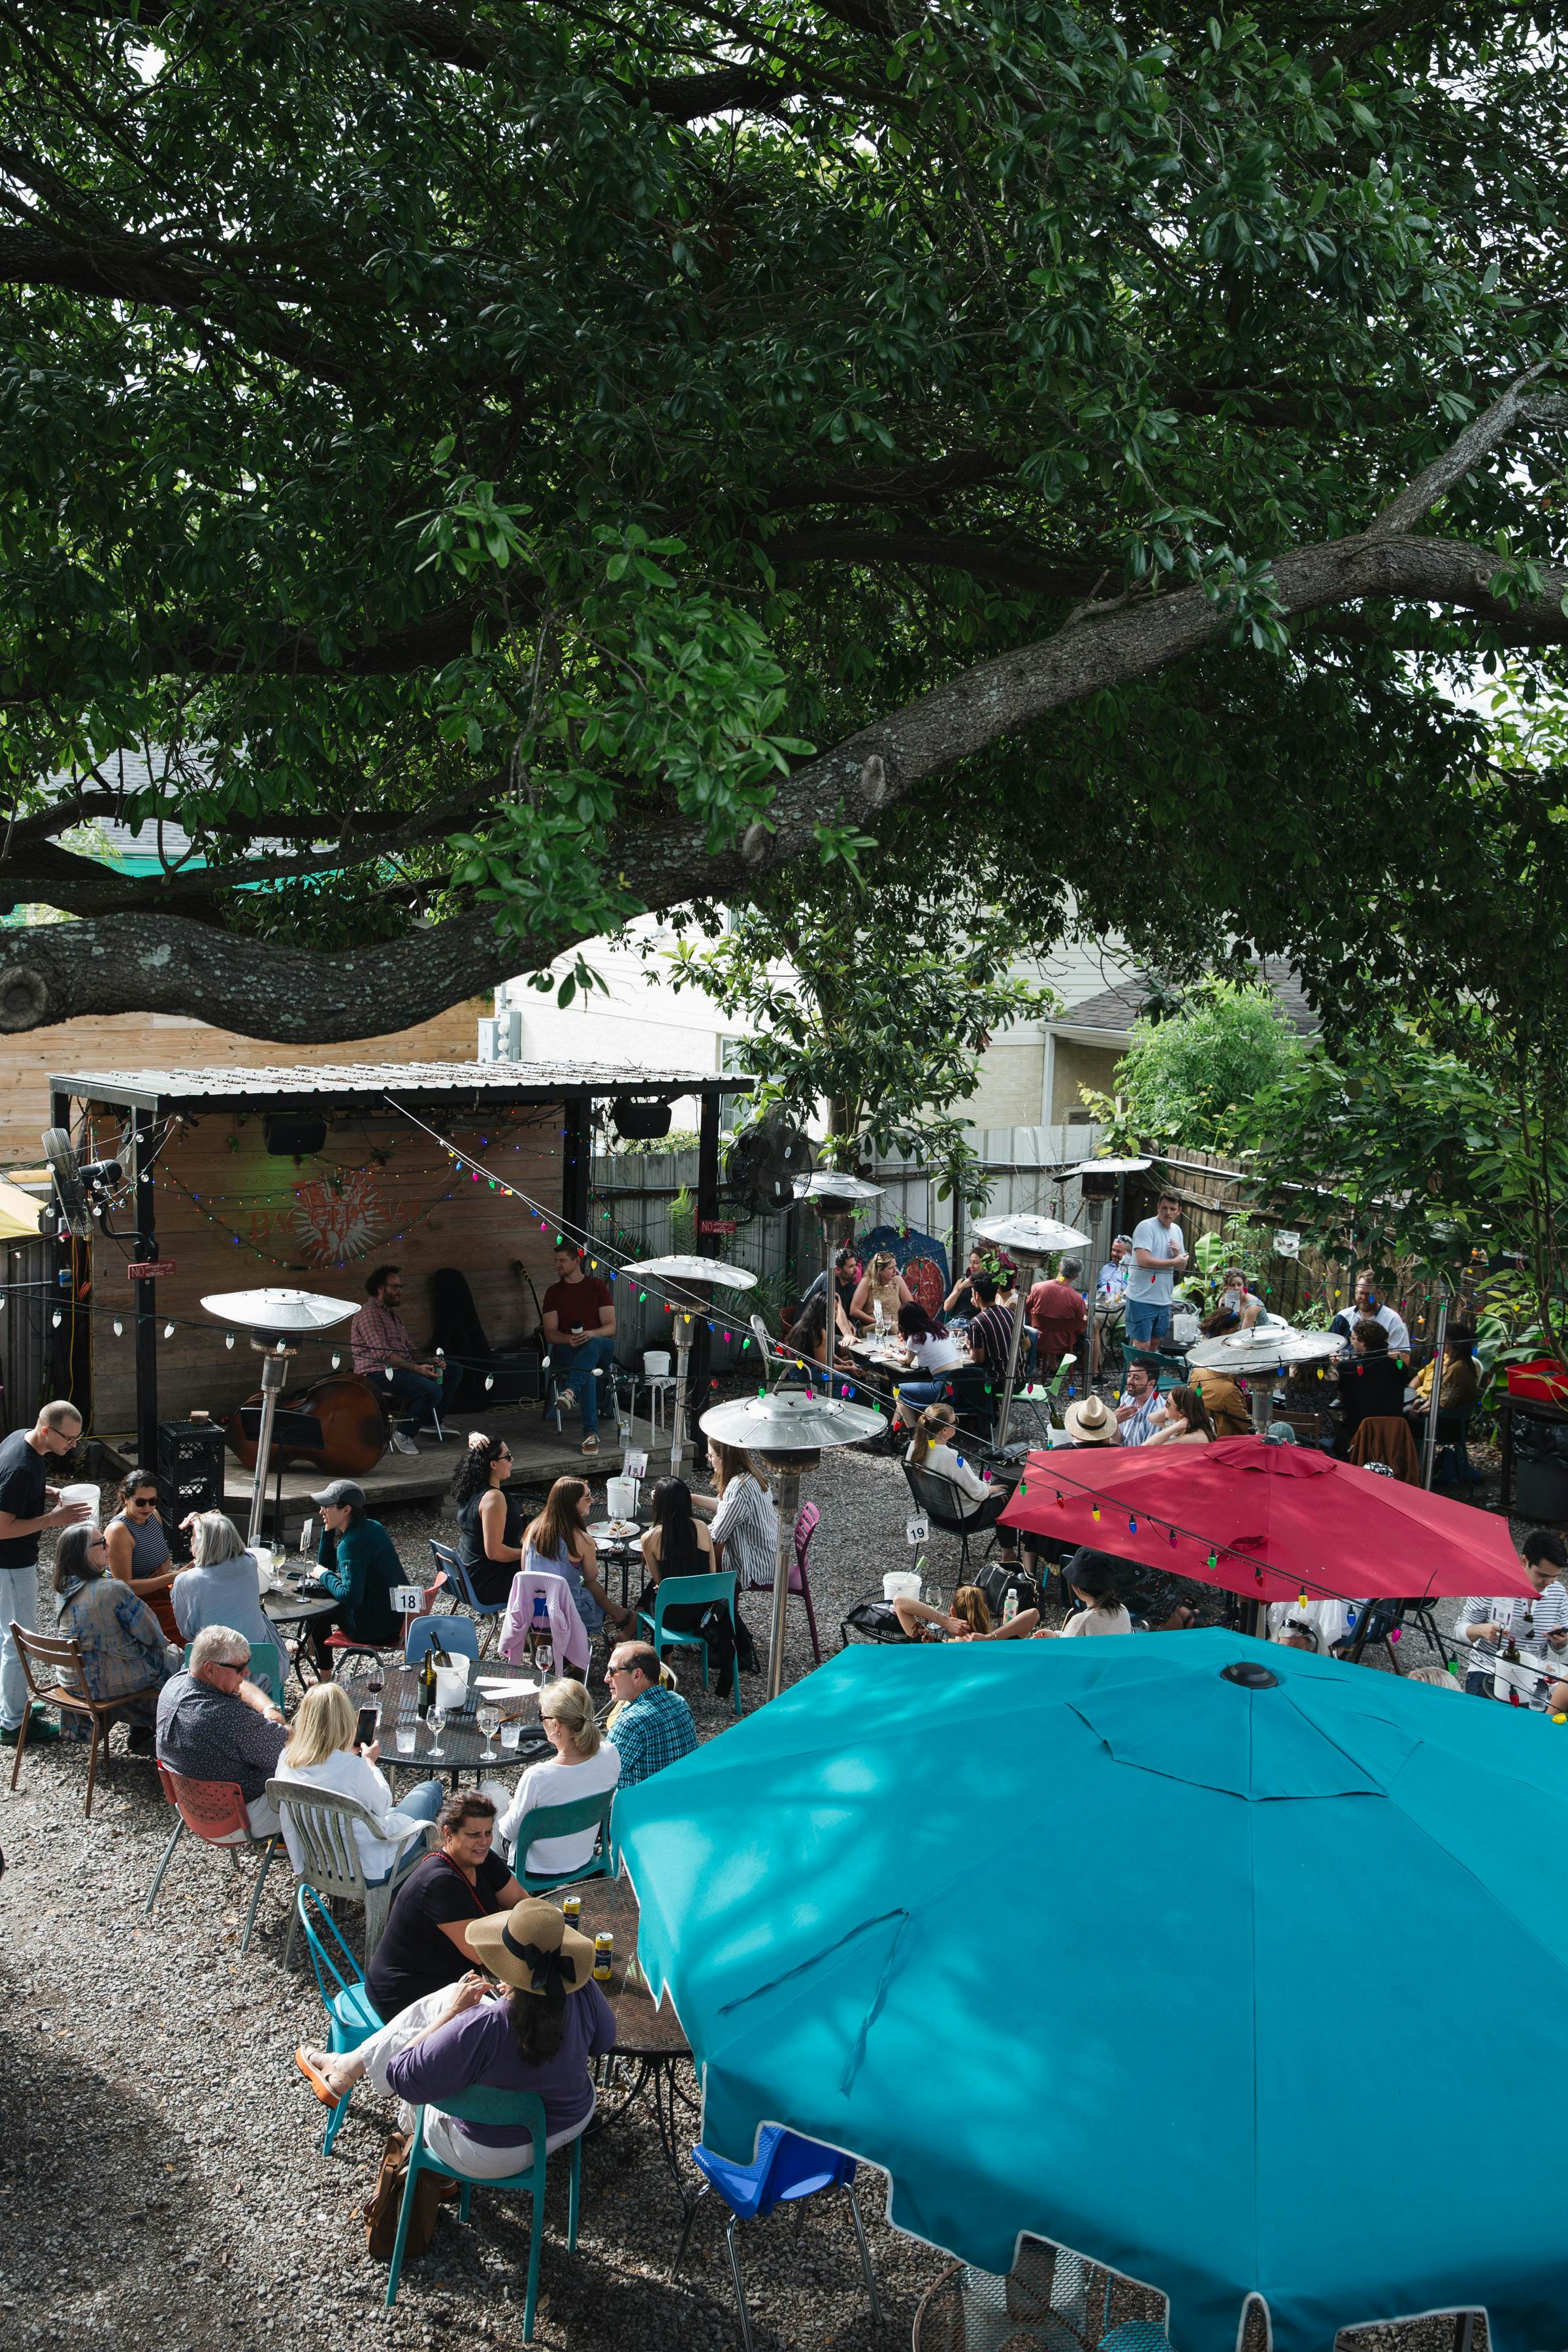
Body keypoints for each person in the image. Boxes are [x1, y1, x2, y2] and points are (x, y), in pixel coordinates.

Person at [297, 1899, 615, 2187]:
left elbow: (402, 2076)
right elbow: (604, 2041)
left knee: (443, 2011)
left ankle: (360, 2082)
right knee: (448, 1999)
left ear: (505, 1963)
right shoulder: (581, 1988)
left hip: (489, 2155)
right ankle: (348, 2066)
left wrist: (453, 2012)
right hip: (571, 2121)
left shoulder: (482, 2026)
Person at [362, 1790, 527, 2021]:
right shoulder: (440, 1882)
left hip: (450, 1976)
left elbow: (522, 1903)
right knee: (513, 2016)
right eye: (473, 1834)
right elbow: (482, 1953)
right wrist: (526, 1933)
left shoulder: (481, 1858)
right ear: (448, 1833)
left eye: (489, 1833)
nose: (484, 1842)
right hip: (405, 1993)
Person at [278, 1680, 447, 1880]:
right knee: (431, 1790)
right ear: (345, 1720)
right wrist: (369, 1763)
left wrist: (345, 1754)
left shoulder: (287, 1758)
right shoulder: (353, 1768)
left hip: (316, 1860)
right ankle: (403, 1893)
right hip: (366, 1867)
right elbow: (383, 1804)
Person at [0, 1399, 91, 1750]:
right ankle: (11, 1724)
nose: (73, 1445)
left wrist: (48, 1491)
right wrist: (53, 1520)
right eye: (68, 1439)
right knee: (18, 1641)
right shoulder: (21, 1466)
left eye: (76, 1438)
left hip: (14, 1560)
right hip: (10, 1562)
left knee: (10, 1638)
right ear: (46, 1431)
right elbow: (2, 1526)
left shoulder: (21, 1438)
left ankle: (11, 1707)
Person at [52, 1520, 180, 1752]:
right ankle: (173, 1736)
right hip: (104, 1683)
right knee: (178, 1660)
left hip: (75, 1681)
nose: (108, 1547)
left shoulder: (63, 1589)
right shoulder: (113, 1589)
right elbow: (153, 1634)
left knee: (142, 1654)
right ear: (83, 1554)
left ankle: (142, 1733)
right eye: (101, 1543)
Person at [155, 1624, 287, 1833]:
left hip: (189, 1810)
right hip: (234, 1821)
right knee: (317, 1779)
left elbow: (239, 1685)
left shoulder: (175, 1684)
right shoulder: (227, 1717)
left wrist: (268, 1707)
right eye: (239, 1668)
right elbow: (294, 1751)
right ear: (210, 1669)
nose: (247, 1672)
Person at [497, 1675, 621, 1878]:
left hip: (535, 1867)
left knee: (492, 1793)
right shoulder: (611, 1754)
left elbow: (509, 1833)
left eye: (541, 1717)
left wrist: (512, 1807)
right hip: (582, 1856)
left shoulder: (537, 1777)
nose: (541, 1721)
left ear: (555, 1725)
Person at [638, 1473, 756, 1684]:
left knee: (648, 1601)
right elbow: (711, 1574)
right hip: (706, 1617)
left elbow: (659, 1581)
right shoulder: (702, 1528)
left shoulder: (649, 1539)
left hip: (674, 1619)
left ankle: (666, 1664)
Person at [352, 1264, 462, 1455]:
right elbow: (383, 1354)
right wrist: (417, 1369)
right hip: (376, 1373)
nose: (400, 1291)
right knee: (432, 1390)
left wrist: (431, 1360)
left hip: (400, 1369)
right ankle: (403, 1434)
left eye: (401, 1287)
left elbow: (411, 1350)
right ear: (380, 1288)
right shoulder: (369, 1313)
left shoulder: (392, 1316)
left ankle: (429, 1423)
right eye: (395, 1287)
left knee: (453, 1370)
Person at [1456, 1529, 1568, 1703]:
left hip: (1534, 1675)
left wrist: (1561, 1642)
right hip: (1488, 1668)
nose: (1549, 1583)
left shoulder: (1558, 1593)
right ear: (1524, 1561)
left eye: (1555, 1577)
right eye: (1543, 1575)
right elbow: (1458, 1632)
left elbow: (1561, 1649)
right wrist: (1480, 1630)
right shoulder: (1491, 1585)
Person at [521, 1477, 630, 1654]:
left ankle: (547, 1643)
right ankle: (615, 1619)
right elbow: (591, 1580)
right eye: (587, 1497)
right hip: (568, 1612)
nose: (592, 1501)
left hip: (535, 1611)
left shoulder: (532, 1529)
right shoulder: (581, 1539)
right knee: (591, 1592)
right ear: (572, 1504)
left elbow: (525, 1572)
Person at [305, 1479, 404, 1667]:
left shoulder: (350, 1545)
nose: (321, 1512)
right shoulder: (373, 1526)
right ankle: (308, 1644)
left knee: (316, 1607)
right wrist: (328, 1530)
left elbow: (351, 1598)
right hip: (396, 1621)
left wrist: (325, 1576)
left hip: (375, 1632)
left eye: (327, 1507)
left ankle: (324, 1674)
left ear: (346, 1510)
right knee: (325, 1590)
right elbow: (328, 1566)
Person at [540, 1243, 616, 1456]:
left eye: (562, 1260)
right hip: (568, 1351)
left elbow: (611, 1328)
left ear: (576, 1261)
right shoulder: (553, 1293)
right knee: (586, 1374)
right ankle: (590, 1434)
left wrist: (591, 1334)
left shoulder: (597, 1287)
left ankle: (570, 1392)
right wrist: (567, 1339)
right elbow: (550, 1333)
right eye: (556, 1261)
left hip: (600, 1349)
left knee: (594, 1344)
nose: (557, 1265)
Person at [171, 1509, 276, 1662]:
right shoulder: (250, 1561)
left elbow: (188, 1632)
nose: (191, 1540)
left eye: (193, 1535)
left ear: (202, 1543)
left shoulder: (187, 1581)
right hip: (265, 1664)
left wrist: (202, 1521)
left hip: (217, 1669)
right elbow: (229, 1541)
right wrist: (205, 1520)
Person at [694, 1441, 779, 1613]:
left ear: (723, 1457)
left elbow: (717, 1536)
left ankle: (701, 1620)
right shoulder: (751, 1475)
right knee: (690, 1558)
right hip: (770, 1553)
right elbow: (726, 1506)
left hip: (756, 1563)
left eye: (711, 1456)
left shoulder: (737, 1488)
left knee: (689, 1562)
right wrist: (690, 1498)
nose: (710, 1461)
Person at [605, 1639, 697, 1787]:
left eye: (613, 1671)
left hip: (639, 1806)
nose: (606, 1678)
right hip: (683, 1797)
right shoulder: (680, 1703)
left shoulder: (630, 1723)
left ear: (637, 1675)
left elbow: (601, 1776)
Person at [104, 1469, 180, 1642]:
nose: (147, 1507)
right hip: (134, 1601)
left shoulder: (154, 1515)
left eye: (152, 1501)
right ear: (125, 1498)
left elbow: (163, 1552)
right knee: (182, 1627)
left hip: (158, 1589)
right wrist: (170, 1577)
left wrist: (165, 1575)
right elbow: (125, 1587)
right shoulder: (119, 1531)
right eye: (140, 1502)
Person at [451, 1433, 526, 1605]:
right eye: (508, 1456)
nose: (512, 1459)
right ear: (493, 1464)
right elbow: (495, 1552)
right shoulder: (494, 1498)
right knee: (552, 1572)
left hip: (466, 1575)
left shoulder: (470, 1488)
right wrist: (530, 1554)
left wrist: (473, 1435)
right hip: (487, 1583)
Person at [1124, 1190, 1188, 1348]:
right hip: (1141, 1297)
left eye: (1173, 1209)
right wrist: (1173, 1260)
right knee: (1142, 1345)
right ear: (1158, 1207)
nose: (1168, 1212)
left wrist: (1176, 1254)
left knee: (1155, 1343)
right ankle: (1134, 1374)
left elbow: (1182, 1266)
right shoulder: (1146, 1227)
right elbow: (1143, 1261)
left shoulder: (1177, 1231)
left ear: (1179, 1211)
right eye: (1165, 1208)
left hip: (1164, 1299)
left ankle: (1147, 1374)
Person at [889, 1303, 967, 1428]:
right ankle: (892, 1431)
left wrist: (891, 1353)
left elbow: (906, 1361)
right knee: (905, 1391)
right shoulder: (939, 1330)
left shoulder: (916, 1337)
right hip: (962, 1383)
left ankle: (912, 1435)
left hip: (943, 1387)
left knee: (898, 1390)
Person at [1335, 1318, 1409, 1448]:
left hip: (1358, 1435)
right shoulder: (1400, 1367)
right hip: (1393, 1437)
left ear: (1363, 1342)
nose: (1351, 1343)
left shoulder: (1347, 1367)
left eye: (1353, 1338)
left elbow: (1341, 1398)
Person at [1034, 1549, 1134, 1637]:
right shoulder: (1122, 1610)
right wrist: (1056, 1635)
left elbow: (1064, 1652)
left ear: (1078, 1588)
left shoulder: (1082, 1622)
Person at [892, 1582, 1039, 1641]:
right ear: (985, 1611)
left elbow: (899, 1602)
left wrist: (944, 1620)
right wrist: (990, 1637)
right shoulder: (1003, 1643)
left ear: (952, 1612)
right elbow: (1033, 1615)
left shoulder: (933, 1646)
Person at [1406, 1326, 1480, 1430]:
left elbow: (1441, 1407)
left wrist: (1418, 1414)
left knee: (1401, 1421)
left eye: (1443, 1338)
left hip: (1447, 1424)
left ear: (1453, 1342)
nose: (1440, 1341)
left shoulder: (1458, 1369)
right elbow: (1436, 1398)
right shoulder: (1453, 1362)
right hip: (1437, 1415)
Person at [1190, 1324, 1254, 1436]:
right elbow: (1243, 1423)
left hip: (1200, 1425)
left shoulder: (1198, 1370)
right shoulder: (1227, 1390)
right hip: (1223, 1434)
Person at [1026, 1259, 1087, 1375]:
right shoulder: (1077, 1298)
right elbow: (1079, 1327)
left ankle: (1053, 1368)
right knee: (1086, 1327)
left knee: (1051, 1328)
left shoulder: (1038, 1287)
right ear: (1077, 1276)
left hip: (1038, 1339)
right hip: (1065, 1343)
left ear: (1059, 1267)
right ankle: (1082, 1371)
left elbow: (1025, 1308)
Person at [1330, 1271, 1411, 1354]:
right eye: (1361, 1293)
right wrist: (1333, 1356)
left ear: (1378, 1294)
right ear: (1356, 1292)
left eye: (1369, 1294)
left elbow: (1404, 1356)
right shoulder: (1343, 1317)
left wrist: (1370, 1358)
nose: (1364, 1298)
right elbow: (1327, 1346)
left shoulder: (1392, 1320)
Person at [965, 1273, 1017, 1380]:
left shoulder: (977, 1322)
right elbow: (1027, 1343)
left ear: (977, 1295)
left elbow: (978, 1359)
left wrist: (969, 1346)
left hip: (998, 1382)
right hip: (1020, 1379)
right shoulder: (1010, 1313)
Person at [850, 1250, 911, 1331]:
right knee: (892, 1329)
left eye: (895, 1267)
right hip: (872, 1326)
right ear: (880, 1271)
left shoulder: (898, 1281)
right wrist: (879, 1322)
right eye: (890, 1268)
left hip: (895, 1326)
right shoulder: (867, 1282)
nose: (895, 1271)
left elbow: (911, 1306)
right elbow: (854, 1310)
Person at [1145, 1384, 1215, 1448]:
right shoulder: (1193, 1424)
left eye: (1168, 1403)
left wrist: (1175, 1427)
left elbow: (1147, 1447)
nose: (1164, 1405)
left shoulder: (1193, 1437)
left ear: (1182, 1411)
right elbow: (1151, 1418)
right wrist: (1172, 1407)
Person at [1115, 1361, 1161, 1447]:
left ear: (1151, 1383)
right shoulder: (1127, 1398)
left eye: (1136, 1378)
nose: (1130, 1381)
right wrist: (1114, 1422)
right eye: (1129, 1376)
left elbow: (1148, 1453)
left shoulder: (1159, 1413)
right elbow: (1118, 1440)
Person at [943, 1247, 990, 1324]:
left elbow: (987, 1312)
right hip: (954, 1322)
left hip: (972, 1323)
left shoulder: (988, 1284)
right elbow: (946, 1307)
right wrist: (960, 1287)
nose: (971, 1266)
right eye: (970, 1262)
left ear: (985, 1265)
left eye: (976, 1263)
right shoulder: (962, 1281)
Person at [1096, 1236, 1132, 1301]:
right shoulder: (1106, 1268)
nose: (1114, 1254)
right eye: (1113, 1250)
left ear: (1129, 1253)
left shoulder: (1133, 1272)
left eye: (1118, 1251)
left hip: (1119, 1308)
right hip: (1100, 1306)